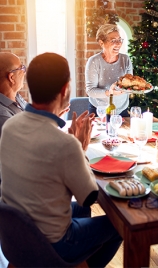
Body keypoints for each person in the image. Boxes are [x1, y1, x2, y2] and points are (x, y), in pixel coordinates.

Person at [0, 52, 122, 267]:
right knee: (119, 226)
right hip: (53, 242)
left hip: (16, 234)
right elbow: (89, 197)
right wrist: (80, 148)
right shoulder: (66, 145)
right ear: (65, 89)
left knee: (82, 213)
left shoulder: (10, 126)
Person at [85, 24, 133, 117]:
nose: (119, 43)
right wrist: (109, 93)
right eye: (113, 40)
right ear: (101, 43)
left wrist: (132, 88)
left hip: (122, 110)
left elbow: (129, 85)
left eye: (119, 40)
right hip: (99, 110)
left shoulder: (125, 59)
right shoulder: (94, 61)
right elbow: (90, 90)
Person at [0, 52, 27, 137]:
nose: (24, 72)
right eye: (21, 68)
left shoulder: (16, 96)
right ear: (11, 78)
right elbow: (26, 142)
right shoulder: (3, 115)